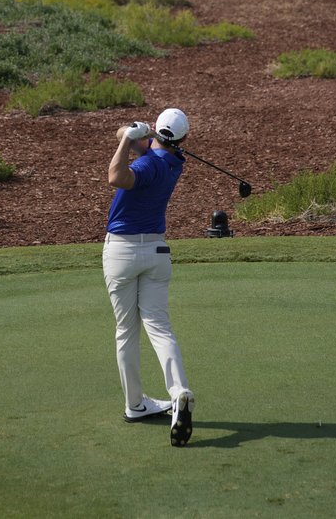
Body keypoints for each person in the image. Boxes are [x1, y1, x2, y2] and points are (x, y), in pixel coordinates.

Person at [103, 107, 196, 447]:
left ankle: (135, 404)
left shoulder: (144, 164)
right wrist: (129, 133)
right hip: (157, 253)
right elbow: (129, 138)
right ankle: (179, 390)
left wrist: (129, 138)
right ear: (183, 139)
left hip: (122, 253)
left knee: (126, 329)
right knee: (159, 327)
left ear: (157, 131)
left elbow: (116, 176)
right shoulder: (174, 162)